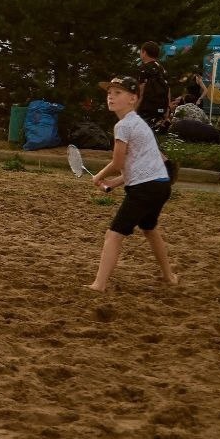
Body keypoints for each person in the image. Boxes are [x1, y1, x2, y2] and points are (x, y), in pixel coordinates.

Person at [87, 76, 178, 293]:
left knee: (114, 234)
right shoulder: (138, 123)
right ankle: (169, 276)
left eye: (118, 93)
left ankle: (99, 284)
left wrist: (98, 175)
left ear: (133, 99)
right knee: (150, 229)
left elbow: (118, 162)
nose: (111, 96)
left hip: (146, 188)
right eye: (109, 92)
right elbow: (140, 166)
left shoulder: (124, 125)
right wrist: (113, 183)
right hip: (160, 185)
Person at [135, 41, 171, 128]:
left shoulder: (144, 69)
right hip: (160, 109)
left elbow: (141, 91)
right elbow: (168, 90)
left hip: (146, 109)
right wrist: (167, 109)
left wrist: (134, 109)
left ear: (144, 52)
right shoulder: (162, 69)